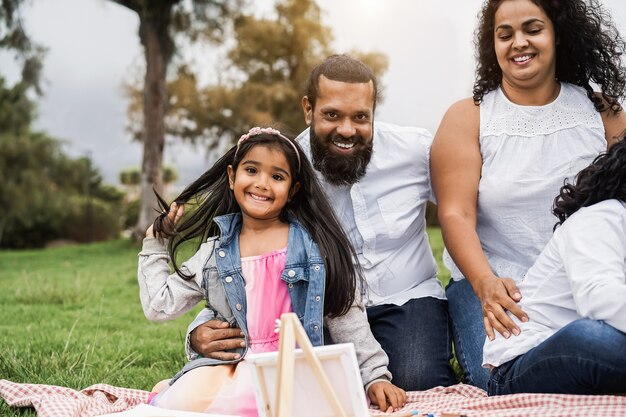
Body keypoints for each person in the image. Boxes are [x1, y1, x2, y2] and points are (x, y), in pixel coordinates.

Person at [188, 54, 457, 391]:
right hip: (319, 309)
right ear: (308, 109)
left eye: (360, 117)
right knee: (305, 388)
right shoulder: (285, 171)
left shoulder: (415, 150)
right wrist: (197, 330)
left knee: (418, 382)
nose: (347, 130)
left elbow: (462, 211)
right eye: (332, 115)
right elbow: (241, 260)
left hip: (406, 297)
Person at [138, 127, 406, 415]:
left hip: (292, 367)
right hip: (233, 366)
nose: (262, 184)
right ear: (231, 177)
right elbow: (159, 306)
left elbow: (346, 315)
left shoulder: (314, 249)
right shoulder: (214, 254)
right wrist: (155, 242)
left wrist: (375, 376)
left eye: (277, 176)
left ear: (293, 191)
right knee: (185, 404)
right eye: (251, 170)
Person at [431, 0, 626, 390]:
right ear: (493, 46)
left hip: (585, 274)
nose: (518, 42)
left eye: (533, 29)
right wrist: (486, 284)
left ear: (559, 35)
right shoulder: (468, 117)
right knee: (498, 379)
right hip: (495, 283)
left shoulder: (601, 112)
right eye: (505, 35)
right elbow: (455, 215)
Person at [484, 137, 626, 395]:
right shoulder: (602, 217)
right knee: (590, 338)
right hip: (520, 365)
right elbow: (599, 298)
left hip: (597, 354)